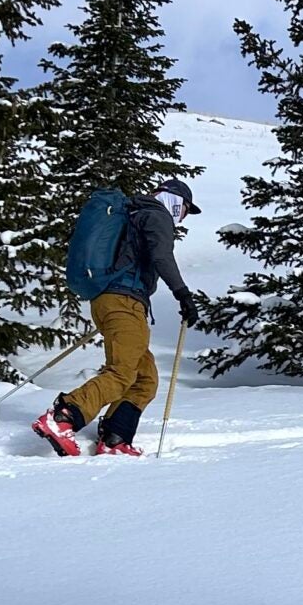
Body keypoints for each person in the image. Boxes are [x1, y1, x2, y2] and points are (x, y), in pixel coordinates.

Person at [33, 177, 211, 457]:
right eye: (186, 209)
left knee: (145, 378)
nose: (184, 216)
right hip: (123, 302)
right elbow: (162, 256)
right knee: (122, 372)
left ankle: (116, 437)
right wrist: (183, 295)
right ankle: (63, 417)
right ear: (178, 202)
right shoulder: (157, 215)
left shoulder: (136, 214)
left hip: (117, 301)